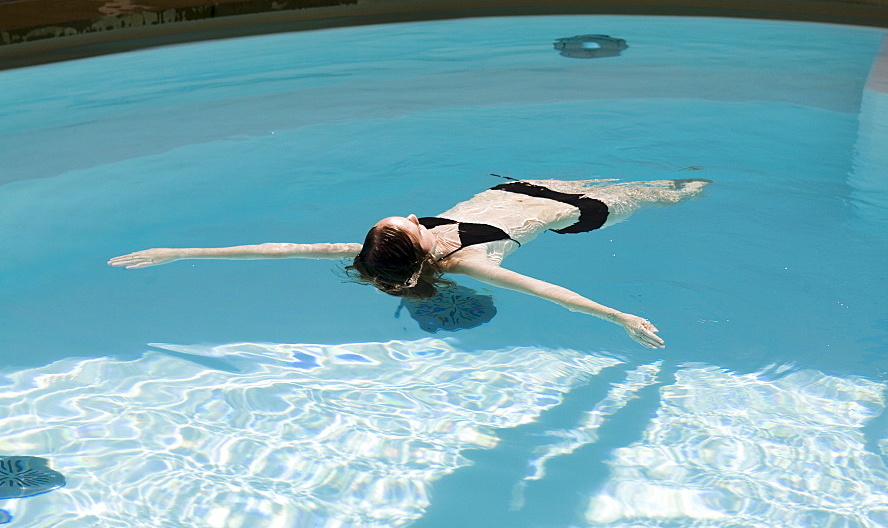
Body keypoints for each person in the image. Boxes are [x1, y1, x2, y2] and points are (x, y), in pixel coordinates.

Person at [108, 178, 710, 347]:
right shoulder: (470, 262)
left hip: (529, 184)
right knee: (678, 188)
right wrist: (621, 317)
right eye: (404, 224)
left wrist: (179, 250)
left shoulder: (375, 258)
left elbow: (275, 247)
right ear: (419, 241)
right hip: (582, 207)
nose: (404, 215)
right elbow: (547, 290)